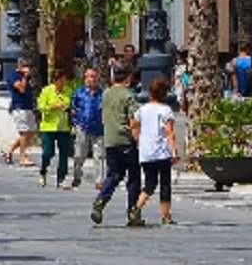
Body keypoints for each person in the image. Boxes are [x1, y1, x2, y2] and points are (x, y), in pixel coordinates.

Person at [91, 61, 141, 227]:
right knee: (133, 178)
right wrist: (138, 140)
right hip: (126, 140)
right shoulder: (128, 95)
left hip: (110, 140)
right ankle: (133, 212)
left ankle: (100, 201)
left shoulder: (105, 94)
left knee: (113, 175)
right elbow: (133, 121)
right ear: (127, 79)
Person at [131, 75, 181, 227]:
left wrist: (139, 140)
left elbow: (133, 124)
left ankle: (136, 208)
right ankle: (166, 216)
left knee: (150, 184)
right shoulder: (166, 110)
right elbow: (170, 132)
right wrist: (174, 152)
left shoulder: (142, 110)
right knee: (165, 184)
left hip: (146, 152)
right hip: (162, 152)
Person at [37, 64, 74, 189]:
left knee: (64, 153)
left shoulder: (68, 91)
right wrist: (51, 107)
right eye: (60, 80)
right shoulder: (46, 91)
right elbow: (41, 106)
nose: (63, 82)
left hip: (63, 127)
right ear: (55, 80)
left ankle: (61, 178)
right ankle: (43, 170)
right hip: (49, 126)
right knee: (48, 152)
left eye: (64, 80)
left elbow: (71, 105)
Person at [69, 66, 105, 188]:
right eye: (89, 77)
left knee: (99, 155)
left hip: (98, 128)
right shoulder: (78, 93)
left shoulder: (102, 93)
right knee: (79, 154)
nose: (92, 79)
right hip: (82, 127)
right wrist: (75, 123)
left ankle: (99, 181)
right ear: (85, 78)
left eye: (94, 77)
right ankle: (77, 175)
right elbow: (73, 110)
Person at [4, 59, 37, 167]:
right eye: (25, 66)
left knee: (30, 132)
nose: (28, 68)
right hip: (19, 108)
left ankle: (10, 150)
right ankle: (23, 157)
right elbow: (21, 89)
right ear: (20, 66)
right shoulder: (13, 76)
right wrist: (25, 77)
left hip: (27, 107)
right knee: (24, 132)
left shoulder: (25, 77)